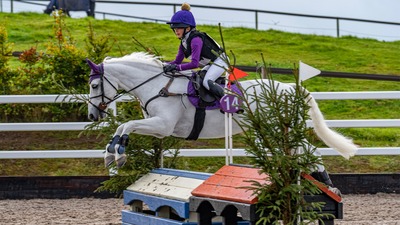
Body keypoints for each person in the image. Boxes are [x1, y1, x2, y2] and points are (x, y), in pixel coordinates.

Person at [164, 3, 227, 99]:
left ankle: (229, 101)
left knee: (206, 82)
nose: (176, 30)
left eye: (179, 27)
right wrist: (163, 66)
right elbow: (177, 61)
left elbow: (194, 64)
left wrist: (176, 68)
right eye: (175, 28)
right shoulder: (184, 43)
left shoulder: (195, 40)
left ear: (188, 28)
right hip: (211, 63)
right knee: (198, 79)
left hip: (221, 61)